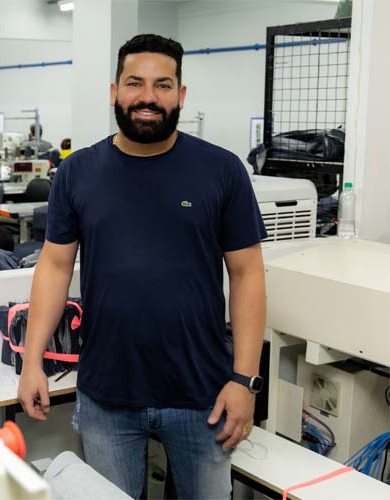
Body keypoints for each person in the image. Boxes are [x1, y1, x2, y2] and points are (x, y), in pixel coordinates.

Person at [16, 34, 267, 500]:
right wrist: (32, 362)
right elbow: (53, 267)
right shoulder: (78, 171)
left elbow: (248, 274)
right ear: (114, 91)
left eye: (163, 85)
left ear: (181, 95)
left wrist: (244, 381)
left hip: (204, 395)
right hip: (107, 395)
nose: (148, 97)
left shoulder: (222, 170)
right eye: (135, 83)